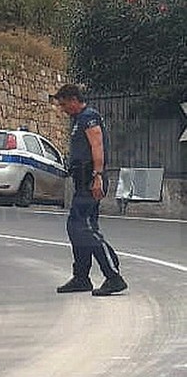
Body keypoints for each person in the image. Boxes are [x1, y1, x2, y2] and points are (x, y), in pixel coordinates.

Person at [52, 84, 128, 296]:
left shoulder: (89, 117)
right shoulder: (77, 119)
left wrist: (98, 176)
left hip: (90, 179)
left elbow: (97, 145)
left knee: (83, 228)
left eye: (64, 103)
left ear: (74, 99)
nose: (62, 108)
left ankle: (113, 276)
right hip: (81, 180)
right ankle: (81, 277)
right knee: (77, 228)